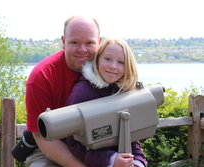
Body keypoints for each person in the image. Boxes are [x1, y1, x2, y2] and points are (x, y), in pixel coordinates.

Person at [25, 15, 102, 167]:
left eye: (89, 43)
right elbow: (41, 137)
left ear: (99, 42)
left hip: (98, 144)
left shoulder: (110, 71)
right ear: (63, 42)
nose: (82, 49)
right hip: (51, 146)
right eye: (74, 42)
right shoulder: (42, 77)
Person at [62, 39, 148, 167]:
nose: (113, 66)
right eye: (107, 59)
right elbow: (73, 143)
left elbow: (132, 136)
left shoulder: (124, 93)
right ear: (97, 60)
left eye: (121, 62)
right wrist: (110, 160)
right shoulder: (82, 93)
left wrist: (137, 162)